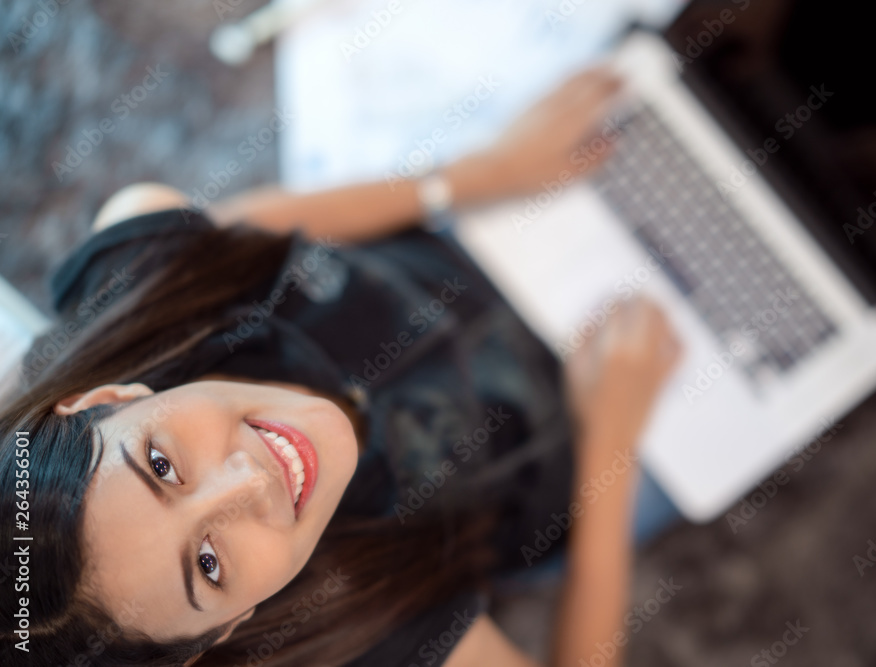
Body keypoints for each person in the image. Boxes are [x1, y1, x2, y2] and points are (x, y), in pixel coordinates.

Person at [0, 68, 684, 667]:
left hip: (464, 255)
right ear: (224, 628)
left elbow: (241, 230)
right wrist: (612, 442)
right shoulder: (356, 637)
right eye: (208, 564)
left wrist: (483, 173)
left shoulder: (138, 285)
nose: (249, 478)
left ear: (111, 395)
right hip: (570, 433)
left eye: (161, 464)